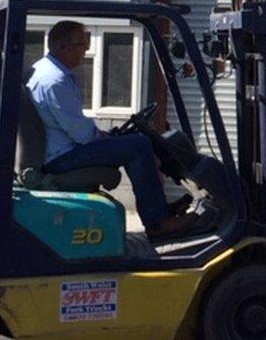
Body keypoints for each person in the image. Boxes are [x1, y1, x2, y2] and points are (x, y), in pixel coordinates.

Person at [26, 21, 196, 241]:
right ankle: (158, 222)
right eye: (82, 44)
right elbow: (82, 134)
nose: (86, 50)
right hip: (61, 158)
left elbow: (74, 125)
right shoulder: (54, 81)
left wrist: (107, 136)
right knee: (139, 145)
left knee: (133, 141)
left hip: (59, 149)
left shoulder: (47, 70)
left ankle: (158, 208)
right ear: (64, 48)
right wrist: (103, 137)